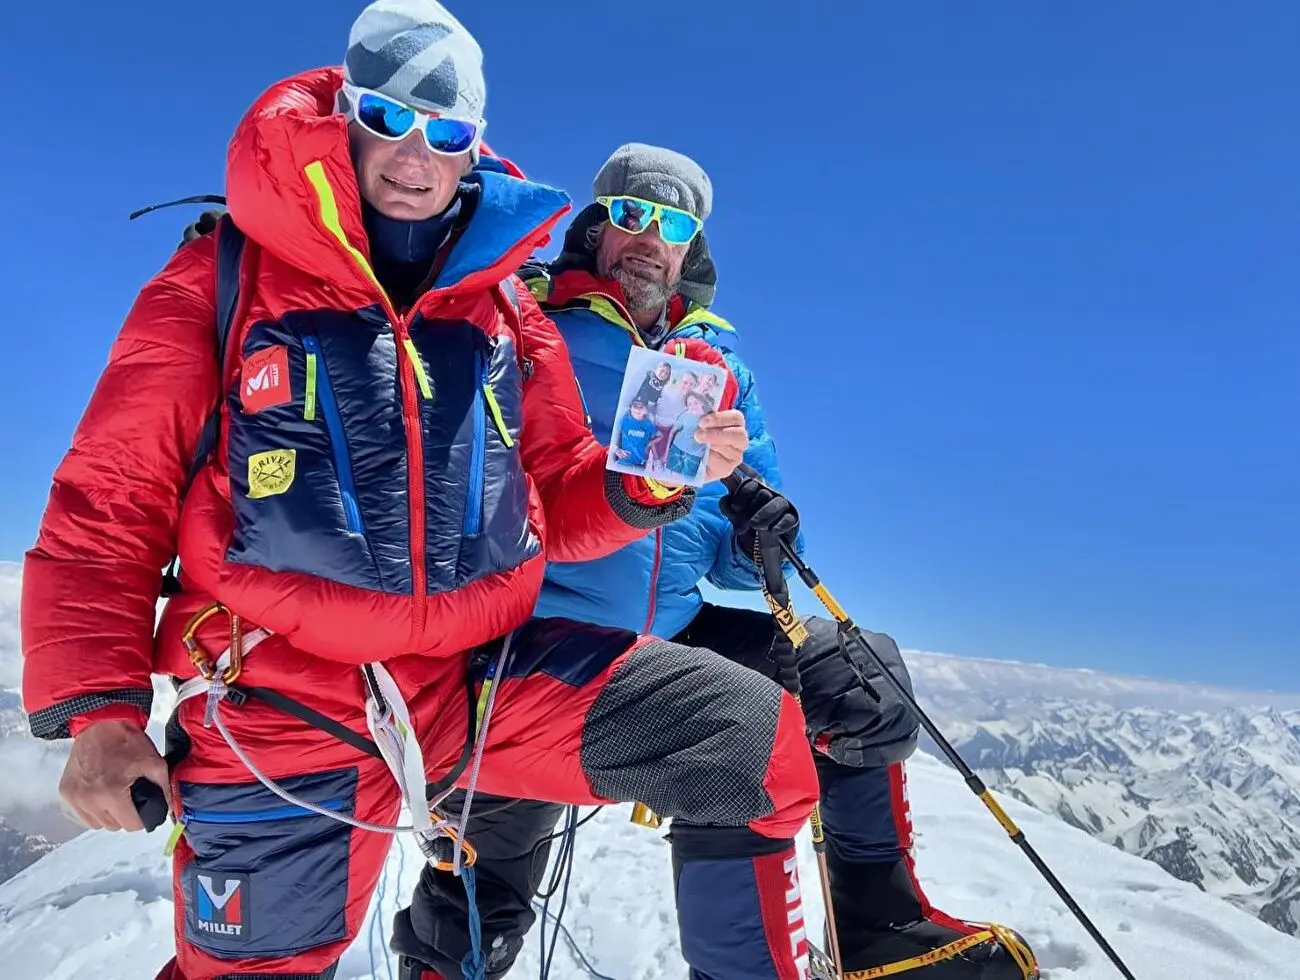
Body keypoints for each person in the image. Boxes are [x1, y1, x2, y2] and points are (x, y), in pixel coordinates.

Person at [19, 5, 823, 980]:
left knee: (751, 744)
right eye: (389, 119)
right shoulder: (225, 274)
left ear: (471, 147)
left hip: (472, 685)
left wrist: (651, 480)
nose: (414, 154)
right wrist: (99, 709)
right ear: (344, 114)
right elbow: (110, 496)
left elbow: (559, 488)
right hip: (276, 699)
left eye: (444, 133)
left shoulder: (501, 308)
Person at [392, 144, 1041, 980]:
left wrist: (764, 528)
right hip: (537, 633)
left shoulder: (716, 363)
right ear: (598, 226)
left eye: (671, 223)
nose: (647, 238)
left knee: (860, 673)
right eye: (631, 214)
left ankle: (877, 927)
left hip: (667, 629)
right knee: (479, 895)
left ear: (690, 243)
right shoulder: (532, 324)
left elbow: (747, 574)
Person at [612, 397, 658, 468]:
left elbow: (656, 443)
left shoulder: (650, 425)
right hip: (623, 464)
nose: (637, 409)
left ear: (646, 410)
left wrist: (654, 461)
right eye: (635, 406)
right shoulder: (623, 421)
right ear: (631, 408)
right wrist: (616, 449)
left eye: (641, 407)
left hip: (640, 466)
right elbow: (610, 437)